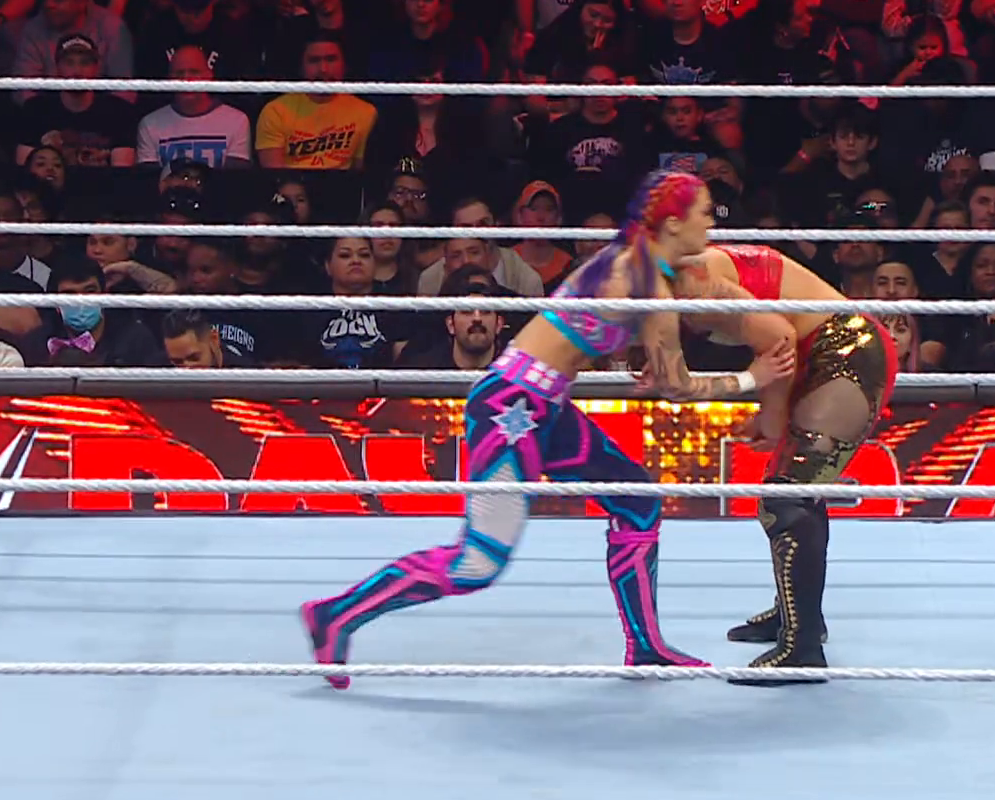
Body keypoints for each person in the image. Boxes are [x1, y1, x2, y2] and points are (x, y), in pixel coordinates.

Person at [300, 172, 798, 688]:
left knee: (637, 500)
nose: (711, 223)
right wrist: (752, 378)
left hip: (545, 403)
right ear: (673, 223)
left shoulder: (635, 264)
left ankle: (645, 645)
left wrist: (645, 351)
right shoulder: (643, 279)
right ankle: (335, 615)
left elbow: (602, 331)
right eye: (703, 212)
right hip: (509, 405)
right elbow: (677, 387)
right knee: (478, 562)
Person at [671, 242, 898, 684]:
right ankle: (797, 615)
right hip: (821, 354)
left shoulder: (695, 280)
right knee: (796, 492)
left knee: (786, 497)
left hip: (843, 351)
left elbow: (778, 338)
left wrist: (772, 417)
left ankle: (802, 645)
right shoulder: (687, 277)